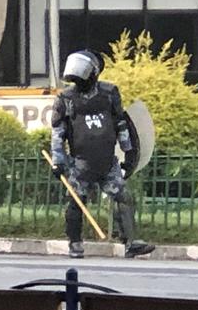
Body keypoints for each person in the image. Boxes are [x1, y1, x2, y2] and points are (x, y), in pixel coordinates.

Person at [51, 49, 155, 259]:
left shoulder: (109, 93)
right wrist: (58, 160)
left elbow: (120, 124)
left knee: (123, 197)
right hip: (80, 164)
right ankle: (75, 244)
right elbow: (58, 132)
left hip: (107, 162)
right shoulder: (65, 99)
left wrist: (128, 153)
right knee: (75, 201)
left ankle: (131, 242)